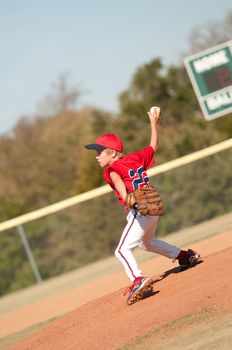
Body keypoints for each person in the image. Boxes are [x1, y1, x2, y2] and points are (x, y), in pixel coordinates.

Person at [85, 106, 200, 305]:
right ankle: (185, 256)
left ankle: (137, 279)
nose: (96, 156)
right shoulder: (136, 159)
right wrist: (154, 124)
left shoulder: (111, 169)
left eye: (99, 152)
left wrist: (128, 198)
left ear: (111, 153)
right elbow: (153, 146)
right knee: (145, 243)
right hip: (150, 207)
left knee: (121, 250)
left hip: (140, 210)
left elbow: (120, 187)